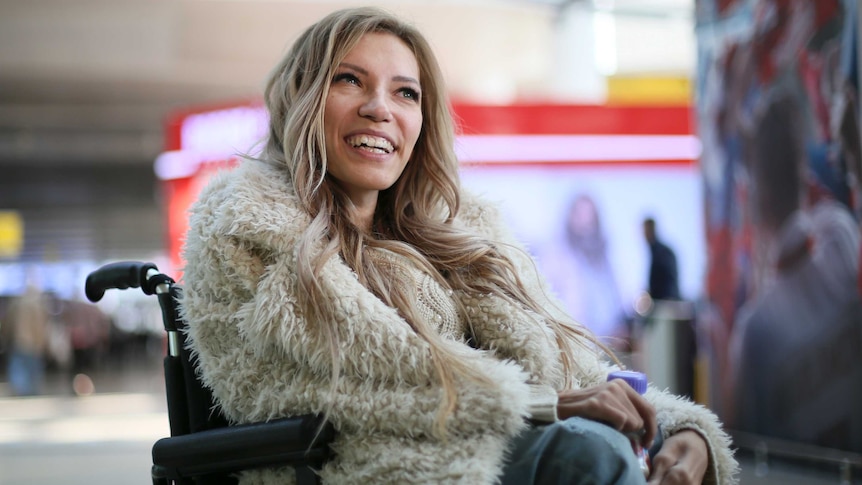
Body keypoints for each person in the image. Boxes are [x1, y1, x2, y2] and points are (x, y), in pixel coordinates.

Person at [180, 7, 738, 484]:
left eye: (405, 93)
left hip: (487, 447)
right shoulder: (247, 228)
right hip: (365, 467)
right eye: (349, 80)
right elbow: (302, 395)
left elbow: (571, 374)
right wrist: (537, 406)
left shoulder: (459, 241)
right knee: (589, 453)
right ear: (300, 97)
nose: (381, 108)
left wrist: (674, 428)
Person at [729, 93, 862, 452]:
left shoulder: (755, 330)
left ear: (752, 197)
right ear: (804, 170)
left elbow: (742, 447)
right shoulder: (841, 236)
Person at [539, 193, 630, 350]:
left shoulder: (602, 258)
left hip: (605, 344)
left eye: (589, 215)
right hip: (571, 342)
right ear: (571, 216)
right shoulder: (556, 254)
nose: (585, 221)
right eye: (580, 214)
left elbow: (615, 300)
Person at [6, 284, 50, 396]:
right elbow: (40, 326)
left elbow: (8, 323)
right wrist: (41, 342)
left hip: (19, 340)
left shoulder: (16, 304)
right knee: (32, 369)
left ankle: (21, 390)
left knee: (19, 367)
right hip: (33, 342)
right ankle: (30, 391)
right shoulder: (38, 306)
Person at [643, 217, 681, 301]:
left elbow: (667, 282)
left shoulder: (662, 253)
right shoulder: (656, 251)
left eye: (646, 230)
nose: (644, 234)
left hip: (666, 302)